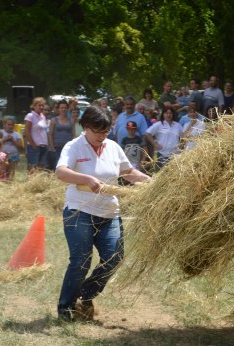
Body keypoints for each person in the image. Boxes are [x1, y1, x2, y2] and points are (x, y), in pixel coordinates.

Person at [55, 106, 151, 322]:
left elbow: (127, 172)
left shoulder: (113, 147)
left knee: (114, 258)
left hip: (109, 213)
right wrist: (86, 179)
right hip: (79, 212)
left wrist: (152, 182)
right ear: (86, 127)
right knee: (80, 260)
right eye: (98, 132)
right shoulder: (74, 147)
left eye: (106, 132)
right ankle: (66, 308)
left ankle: (86, 295)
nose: (102, 136)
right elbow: (61, 172)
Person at [144, 105, 183, 169]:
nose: (168, 115)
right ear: (163, 114)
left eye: (170, 113)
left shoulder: (178, 125)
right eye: (166, 113)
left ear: (173, 114)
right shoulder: (159, 124)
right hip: (162, 154)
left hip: (175, 155)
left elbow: (183, 136)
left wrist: (181, 145)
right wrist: (154, 144)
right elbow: (147, 133)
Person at [48, 100, 76, 171]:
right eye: (61, 108)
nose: (63, 109)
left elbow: (73, 134)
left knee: (67, 166)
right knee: (57, 166)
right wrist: (52, 147)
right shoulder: (54, 120)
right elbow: (50, 134)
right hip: (56, 147)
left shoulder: (71, 120)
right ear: (58, 109)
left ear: (68, 109)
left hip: (68, 147)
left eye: (65, 108)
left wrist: (73, 146)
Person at [24, 97, 50, 173]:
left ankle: (38, 183)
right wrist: (33, 145)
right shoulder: (30, 116)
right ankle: (31, 184)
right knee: (33, 167)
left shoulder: (43, 116)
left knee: (41, 167)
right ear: (34, 106)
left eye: (43, 105)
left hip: (44, 145)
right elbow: (27, 132)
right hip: (34, 146)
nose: (41, 107)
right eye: (39, 105)